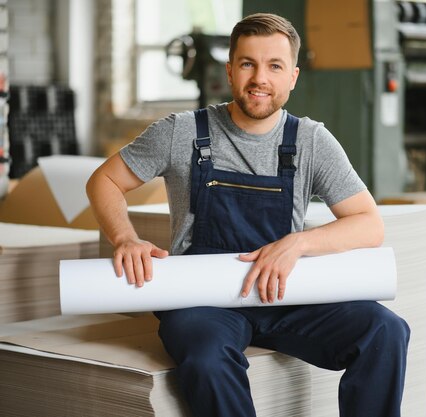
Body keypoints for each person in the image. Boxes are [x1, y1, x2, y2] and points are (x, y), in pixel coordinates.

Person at [87, 13, 409, 417]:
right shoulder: (182, 131)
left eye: (274, 66)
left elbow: (369, 223)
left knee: (385, 330)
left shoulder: (311, 140)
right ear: (230, 70)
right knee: (206, 361)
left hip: (285, 293)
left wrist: (299, 243)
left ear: (292, 76)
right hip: (202, 299)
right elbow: (104, 181)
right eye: (248, 64)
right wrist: (125, 238)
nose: (260, 78)